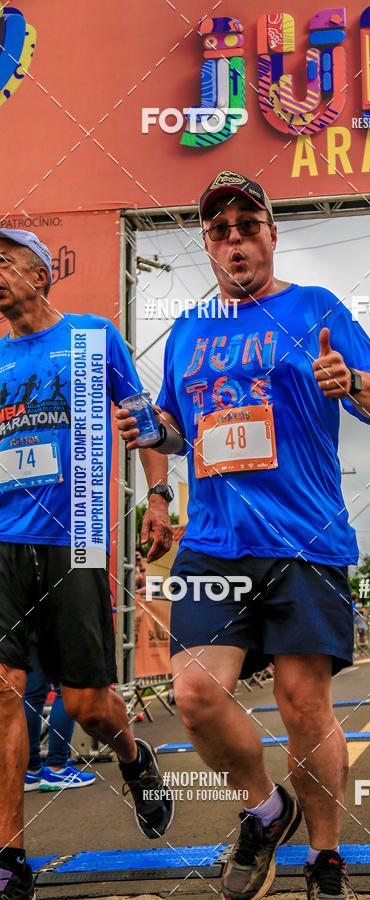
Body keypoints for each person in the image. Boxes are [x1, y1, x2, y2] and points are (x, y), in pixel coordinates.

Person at [116, 171, 370, 900]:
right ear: (209, 247)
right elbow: (178, 430)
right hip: (215, 539)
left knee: (305, 704)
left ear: (271, 234)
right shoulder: (187, 332)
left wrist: (346, 381)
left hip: (304, 537)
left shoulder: (316, 307)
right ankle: (267, 810)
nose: (235, 238)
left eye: (248, 224)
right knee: (194, 693)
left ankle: (326, 857)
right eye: (220, 230)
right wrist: (152, 431)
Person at [0, 228, 175, 899]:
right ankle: (11, 857)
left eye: (5, 261)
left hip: (76, 541)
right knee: (4, 692)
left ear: (41, 274)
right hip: (4, 543)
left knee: (88, 706)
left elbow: (143, 420)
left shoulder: (90, 337)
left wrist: (157, 495)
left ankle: (133, 758)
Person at [24, 642, 96, 791]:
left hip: (27, 623)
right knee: (66, 688)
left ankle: (31, 770)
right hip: (59, 622)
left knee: (32, 694)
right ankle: (57, 768)